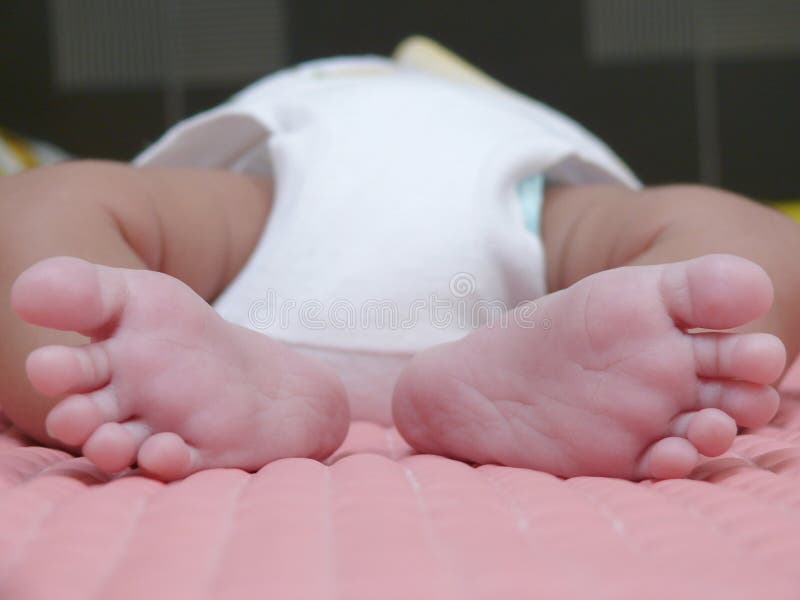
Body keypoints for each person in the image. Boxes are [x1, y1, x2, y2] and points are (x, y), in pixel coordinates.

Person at [2, 42, 798, 482]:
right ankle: (635, 348)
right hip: (535, 240)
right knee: (742, 247)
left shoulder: (281, 137)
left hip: (257, 226)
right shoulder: (489, 131)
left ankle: (173, 374)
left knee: (43, 216)